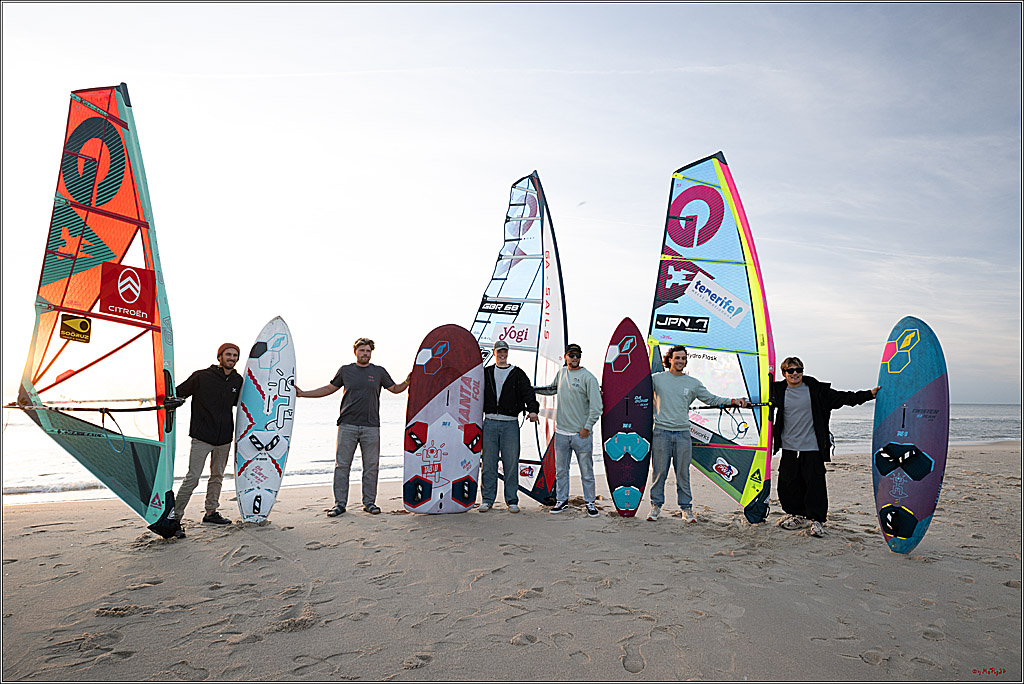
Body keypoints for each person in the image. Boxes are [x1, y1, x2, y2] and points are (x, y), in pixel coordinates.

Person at [296, 337, 409, 517]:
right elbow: (328, 389)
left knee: (371, 467)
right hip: (347, 425)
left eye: (368, 351)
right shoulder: (346, 371)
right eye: (362, 350)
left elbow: (395, 389)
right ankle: (340, 504)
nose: (365, 354)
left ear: (371, 353)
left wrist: (408, 381)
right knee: (342, 466)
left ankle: (369, 503)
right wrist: (303, 394)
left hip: (371, 427)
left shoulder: (378, 372)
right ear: (355, 352)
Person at [771, 356, 879, 537]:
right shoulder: (777, 391)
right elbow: (756, 400)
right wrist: (738, 401)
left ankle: (816, 520)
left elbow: (844, 398)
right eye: (791, 371)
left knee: (815, 485)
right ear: (784, 373)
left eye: (799, 370)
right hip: (789, 447)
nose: (795, 373)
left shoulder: (816, 390)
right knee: (788, 484)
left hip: (812, 446)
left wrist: (869, 394)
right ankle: (798, 516)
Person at [646, 345, 749, 523]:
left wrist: (734, 400)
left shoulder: (693, 383)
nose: (680, 361)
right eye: (677, 358)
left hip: (683, 434)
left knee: (683, 473)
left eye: (683, 358)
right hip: (661, 432)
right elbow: (635, 393)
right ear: (669, 359)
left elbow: (712, 399)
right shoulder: (656, 379)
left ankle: (686, 509)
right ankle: (656, 506)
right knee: (659, 472)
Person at [173, 342, 244, 536]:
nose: (232, 358)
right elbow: (178, 392)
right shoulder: (201, 376)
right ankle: (175, 517)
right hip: (202, 437)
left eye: (235, 356)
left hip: (224, 438)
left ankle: (211, 512)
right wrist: (173, 401)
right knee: (193, 477)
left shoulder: (238, 381)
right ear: (219, 356)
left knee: (217, 477)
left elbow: (245, 405)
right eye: (228, 354)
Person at [537, 343, 603, 517]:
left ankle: (590, 503)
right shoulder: (561, 373)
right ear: (565, 356)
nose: (574, 358)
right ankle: (561, 501)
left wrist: (587, 428)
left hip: (581, 435)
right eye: (571, 355)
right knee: (561, 471)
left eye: (577, 355)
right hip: (561, 434)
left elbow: (597, 408)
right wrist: (529, 391)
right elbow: (551, 389)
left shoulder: (589, 378)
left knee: (587, 472)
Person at [479, 339, 540, 513]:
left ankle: (512, 500)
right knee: (488, 464)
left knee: (511, 464)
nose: (502, 355)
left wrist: (533, 410)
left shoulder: (518, 373)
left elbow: (528, 393)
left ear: (508, 352)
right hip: (489, 423)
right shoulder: (486, 372)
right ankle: (487, 500)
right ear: (494, 352)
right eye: (499, 352)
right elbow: (474, 394)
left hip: (510, 424)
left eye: (505, 351)